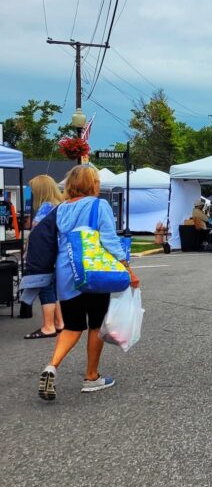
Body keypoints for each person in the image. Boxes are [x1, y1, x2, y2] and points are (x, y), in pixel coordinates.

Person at [38, 165, 140, 402]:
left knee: (73, 326)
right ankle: (91, 376)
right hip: (93, 270)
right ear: (92, 183)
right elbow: (109, 240)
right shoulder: (99, 205)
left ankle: (52, 366)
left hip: (67, 271)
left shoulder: (61, 209)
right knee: (95, 324)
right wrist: (128, 269)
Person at [24, 175, 64, 340]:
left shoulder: (46, 208)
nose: (32, 192)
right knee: (53, 288)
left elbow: (38, 234)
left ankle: (48, 327)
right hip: (55, 254)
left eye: (33, 189)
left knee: (45, 289)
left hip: (43, 255)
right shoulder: (59, 206)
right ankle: (59, 323)